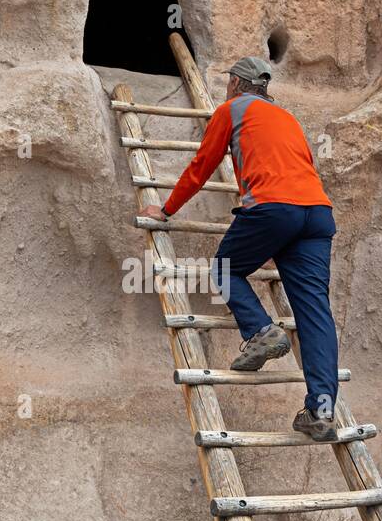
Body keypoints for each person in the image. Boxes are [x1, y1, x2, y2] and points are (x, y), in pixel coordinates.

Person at [145, 57, 340, 441]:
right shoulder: (288, 119)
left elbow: (202, 166)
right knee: (315, 312)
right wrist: (280, 234)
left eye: (227, 82)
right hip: (316, 214)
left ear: (236, 83)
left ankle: (262, 331)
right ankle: (321, 410)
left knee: (224, 268)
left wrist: (166, 209)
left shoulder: (231, 110)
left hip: (272, 208)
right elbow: (298, 168)